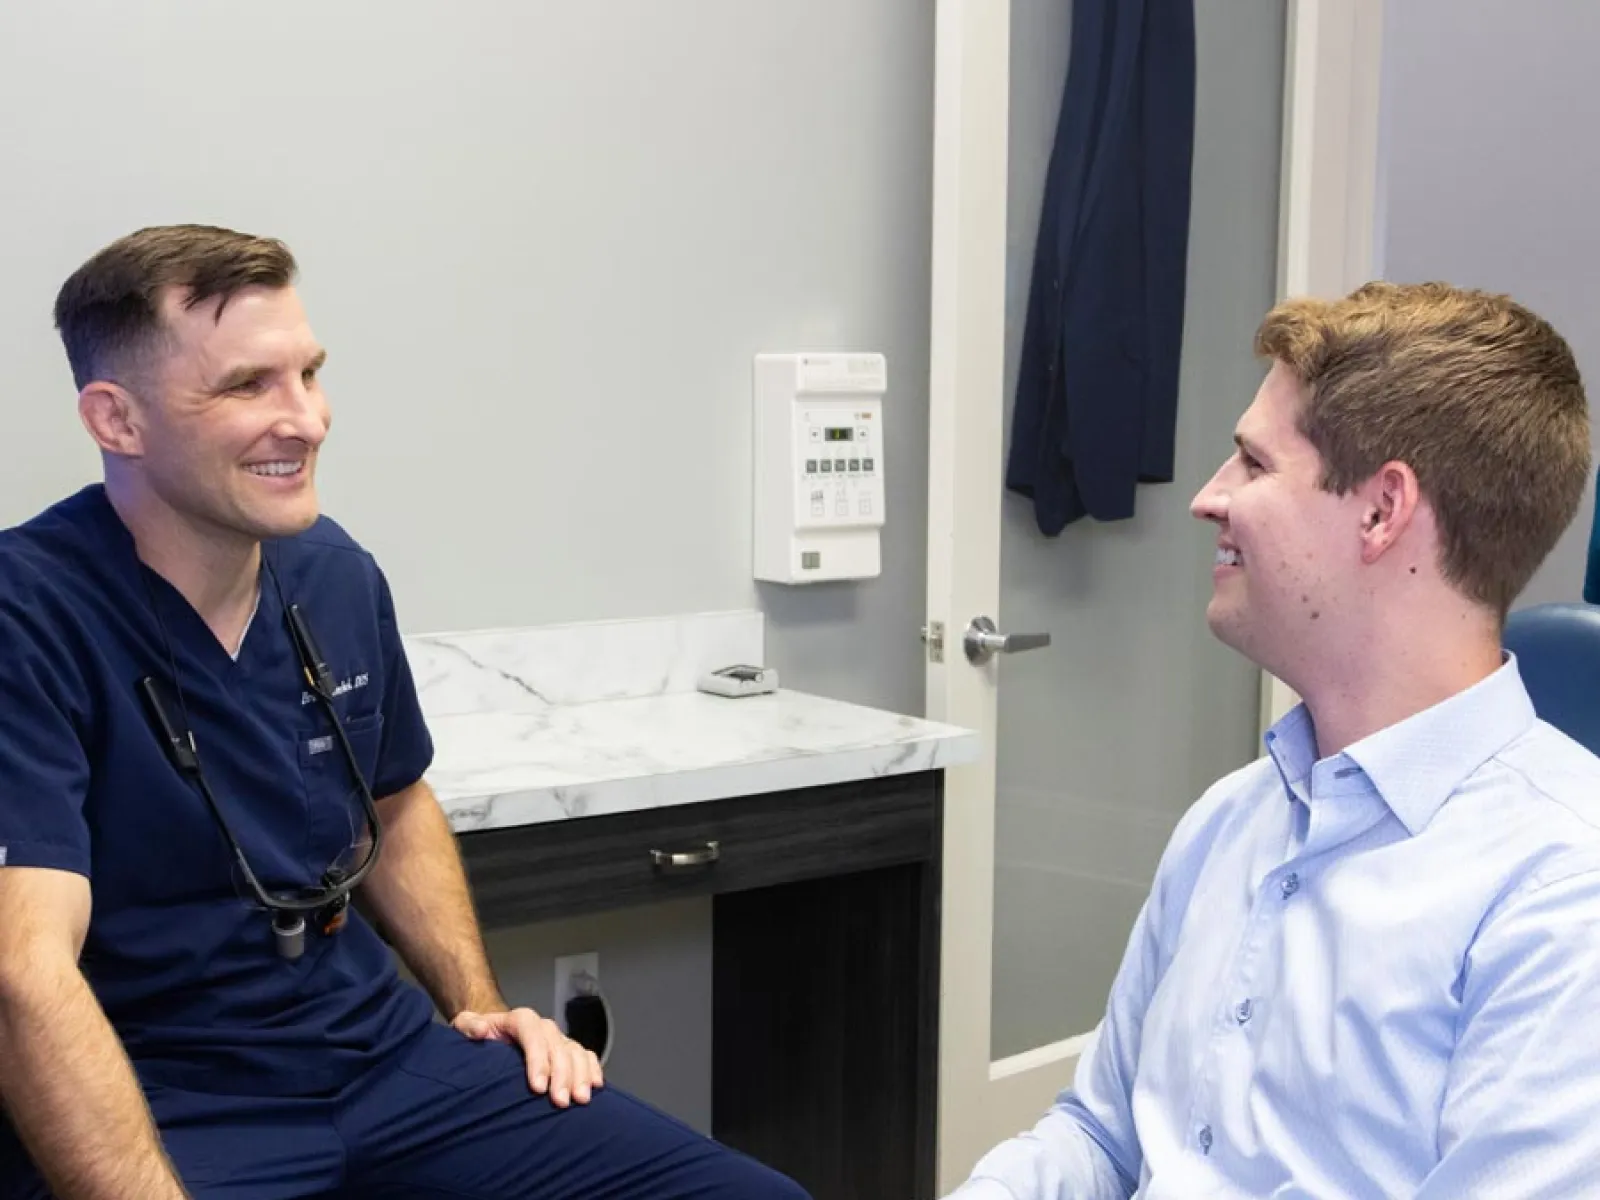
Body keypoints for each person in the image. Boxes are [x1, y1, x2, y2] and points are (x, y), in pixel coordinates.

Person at [0, 225, 809, 1200]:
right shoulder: (30, 616)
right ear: (116, 420)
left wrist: (476, 1005)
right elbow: (24, 971)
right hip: (174, 1093)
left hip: (381, 1061)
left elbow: (394, 802)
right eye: (248, 386)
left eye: (308, 374)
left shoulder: (334, 577)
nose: (305, 419)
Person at [949, 282, 1600, 1198]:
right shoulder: (1234, 818)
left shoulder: (1563, 899)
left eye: (1253, 465)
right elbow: (1102, 1136)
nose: (1209, 499)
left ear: (1382, 511)